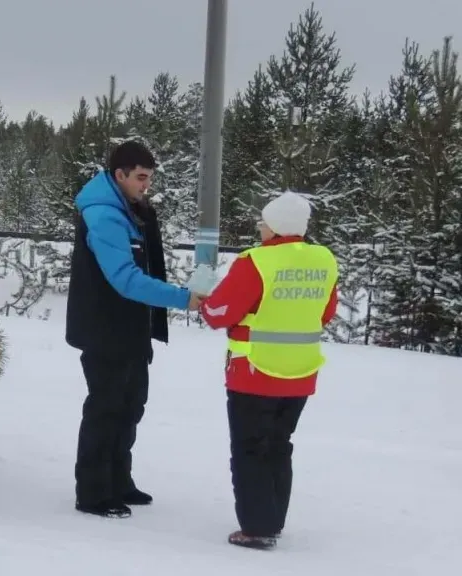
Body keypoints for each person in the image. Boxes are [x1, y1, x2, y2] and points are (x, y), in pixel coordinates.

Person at [65, 140, 205, 519]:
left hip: (128, 330)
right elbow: (125, 279)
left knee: (130, 407)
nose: (146, 185)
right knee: (106, 409)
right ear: (120, 174)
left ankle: (119, 481)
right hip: (105, 331)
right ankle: (94, 492)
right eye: (141, 178)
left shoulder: (129, 211)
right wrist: (183, 299)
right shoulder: (105, 216)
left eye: (150, 178)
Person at [197, 191, 339, 550]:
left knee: (250, 450)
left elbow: (219, 313)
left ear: (274, 228)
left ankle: (257, 528)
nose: (260, 228)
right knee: (279, 446)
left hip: (254, 373)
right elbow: (325, 312)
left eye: (263, 223)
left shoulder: (256, 262)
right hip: (302, 373)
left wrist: (206, 303)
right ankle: (272, 519)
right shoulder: (323, 260)